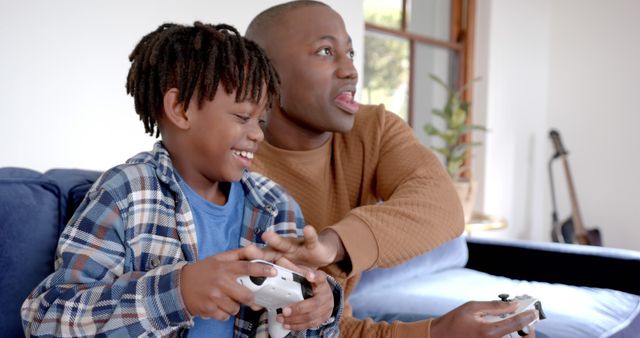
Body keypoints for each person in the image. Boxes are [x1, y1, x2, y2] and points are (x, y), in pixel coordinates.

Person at [20, 22, 342, 337]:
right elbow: (45, 320)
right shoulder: (125, 193)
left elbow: (296, 322)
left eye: (261, 120)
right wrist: (178, 293)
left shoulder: (276, 207)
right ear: (181, 109)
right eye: (243, 117)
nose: (258, 133)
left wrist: (322, 306)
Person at [246, 1, 538, 337]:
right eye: (326, 51)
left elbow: (442, 206)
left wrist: (440, 331)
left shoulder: (373, 129)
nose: (350, 71)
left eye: (351, 54)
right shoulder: (235, 159)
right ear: (266, 73)